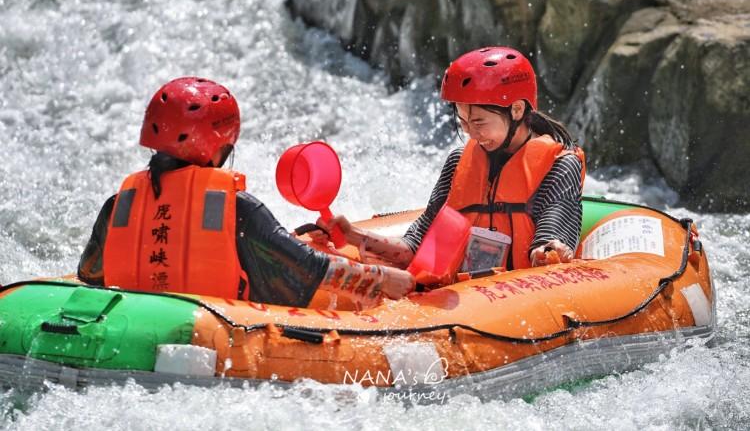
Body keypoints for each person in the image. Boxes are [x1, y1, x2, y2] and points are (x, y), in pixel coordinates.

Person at [77, 77, 414, 307]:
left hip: (134, 325)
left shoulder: (119, 204)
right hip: (218, 331)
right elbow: (310, 269)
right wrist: (382, 278)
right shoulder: (237, 207)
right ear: (218, 145)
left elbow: (90, 274)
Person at [315, 47, 585, 271]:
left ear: (516, 109)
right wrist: (352, 235)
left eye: (479, 121)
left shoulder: (560, 166)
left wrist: (549, 251)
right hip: (465, 299)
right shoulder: (459, 162)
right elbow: (414, 246)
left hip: (518, 299)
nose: (472, 134)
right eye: (463, 122)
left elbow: (552, 240)